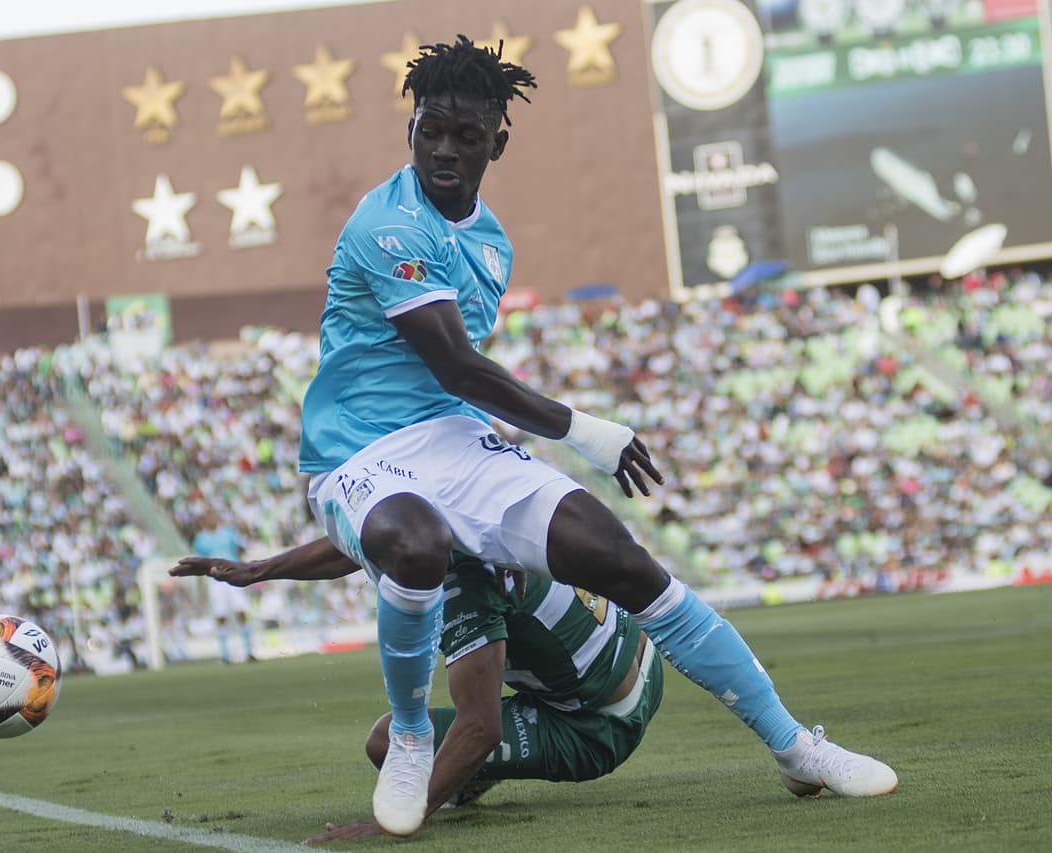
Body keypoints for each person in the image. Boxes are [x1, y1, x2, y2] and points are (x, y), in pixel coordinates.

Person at [285, 35, 894, 835]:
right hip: (356, 450)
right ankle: (408, 733)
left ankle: (794, 745)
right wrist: (589, 432)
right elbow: (460, 366)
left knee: (619, 558)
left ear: (497, 141)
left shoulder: (491, 242)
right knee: (417, 540)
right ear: (411, 127)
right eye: (429, 128)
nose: (443, 148)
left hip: (449, 436)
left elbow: (456, 392)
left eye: (465, 135)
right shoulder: (386, 225)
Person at [173, 550, 664, 843]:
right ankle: (469, 775)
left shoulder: (459, 587)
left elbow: (481, 726)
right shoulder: (459, 520)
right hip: (639, 659)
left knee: (389, 743)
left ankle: (462, 778)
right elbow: (362, 543)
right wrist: (259, 570)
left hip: (596, 724)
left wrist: (401, 819)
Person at [191, 511, 257, 664]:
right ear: (204, 521)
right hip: (215, 581)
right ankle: (225, 655)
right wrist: (201, 588)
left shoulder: (228, 533)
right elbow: (199, 564)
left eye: (214, 517)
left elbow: (240, 551)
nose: (213, 519)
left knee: (241, 611)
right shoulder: (200, 540)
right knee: (220, 616)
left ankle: (249, 651)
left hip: (234, 576)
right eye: (209, 517)